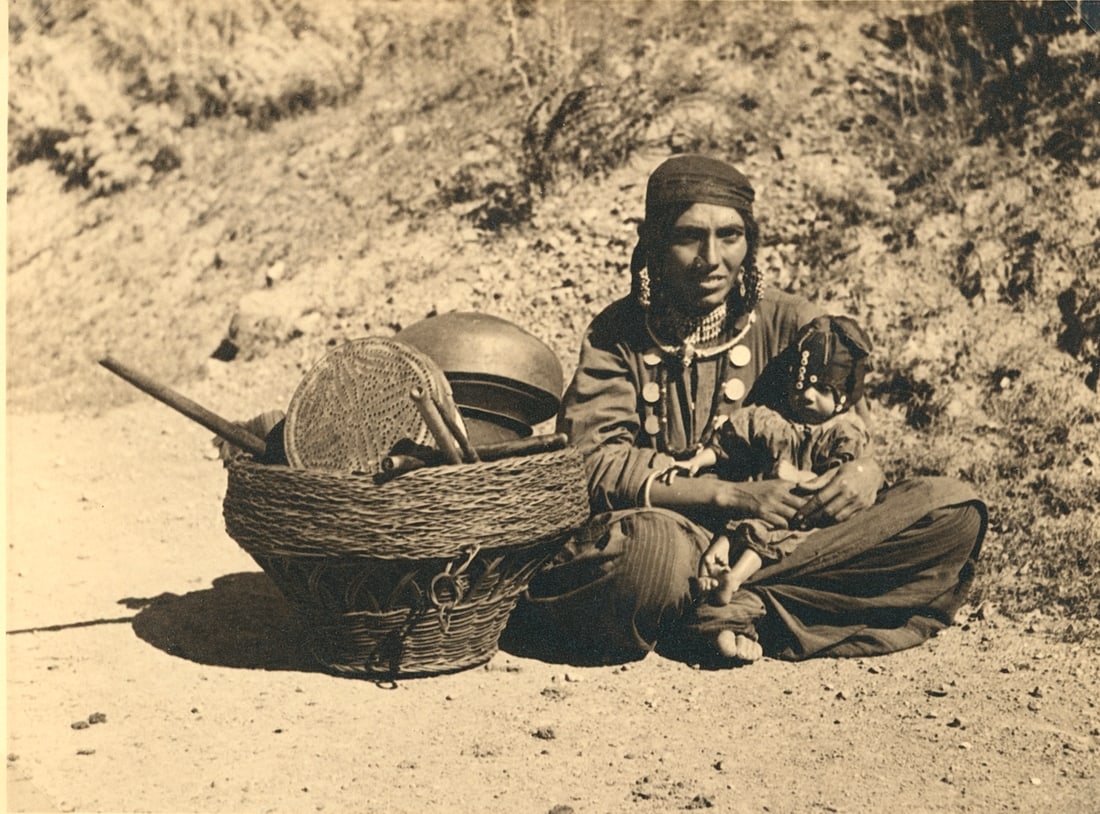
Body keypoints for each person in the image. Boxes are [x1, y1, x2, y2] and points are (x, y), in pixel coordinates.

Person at [501, 154, 986, 667]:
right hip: (672, 530)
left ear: (750, 243)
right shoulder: (617, 333)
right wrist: (729, 494)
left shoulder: (797, 323)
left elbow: (849, 430)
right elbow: (592, 464)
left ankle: (732, 604)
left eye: (730, 236)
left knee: (952, 511)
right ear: (654, 243)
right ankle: (740, 605)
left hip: (783, 539)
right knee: (651, 563)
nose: (711, 258)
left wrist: (863, 473)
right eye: (690, 237)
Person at [663, 314, 874, 658]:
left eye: (821, 390)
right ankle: (715, 576)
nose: (806, 396)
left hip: (801, 515)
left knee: (768, 540)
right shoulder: (769, 421)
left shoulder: (843, 432)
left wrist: (797, 478)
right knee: (730, 533)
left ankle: (735, 583)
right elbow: (724, 446)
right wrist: (694, 462)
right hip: (753, 504)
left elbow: (840, 480)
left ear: (842, 398)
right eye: (800, 385)